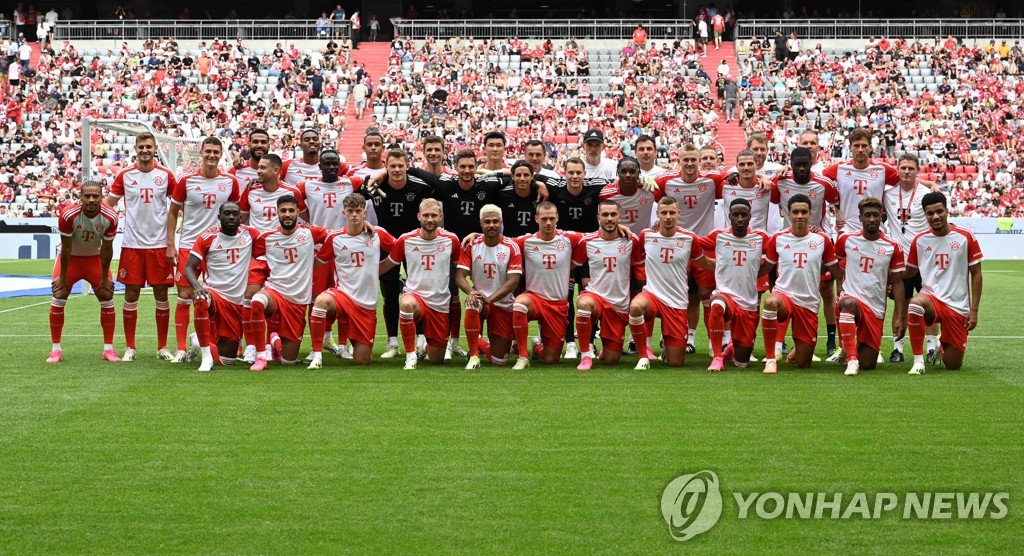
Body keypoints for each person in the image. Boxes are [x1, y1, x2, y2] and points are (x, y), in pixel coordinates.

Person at [355, 149, 438, 359]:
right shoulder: (375, 185)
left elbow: (440, 189)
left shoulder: (419, 187)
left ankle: (421, 341)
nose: (397, 170)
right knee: (389, 293)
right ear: (386, 166)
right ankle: (392, 343)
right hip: (386, 245)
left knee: (419, 294)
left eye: (401, 165)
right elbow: (355, 198)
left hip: (415, 247)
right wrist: (363, 220)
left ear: (407, 166)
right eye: (392, 166)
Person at [104, 133, 179, 362]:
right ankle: (130, 346)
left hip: (159, 245)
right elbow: (109, 204)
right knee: (131, 293)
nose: (145, 150)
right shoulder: (125, 175)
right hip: (132, 244)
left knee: (161, 294)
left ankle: (163, 347)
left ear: (155, 148)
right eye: (141, 147)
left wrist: (170, 242)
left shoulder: (165, 175)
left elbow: (177, 207)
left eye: (149, 146)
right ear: (135, 148)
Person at [166, 137, 241, 363]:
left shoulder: (230, 181)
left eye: (215, 152)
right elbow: (173, 212)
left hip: (218, 248)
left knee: (221, 296)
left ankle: (214, 340)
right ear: (201, 152)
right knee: (185, 295)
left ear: (220, 154)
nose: (211, 155)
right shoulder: (186, 180)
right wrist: (171, 243)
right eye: (208, 151)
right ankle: (181, 348)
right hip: (190, 244)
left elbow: (236, 213)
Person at [308, 193, 396, 369]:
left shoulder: (377, 234)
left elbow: (401, 249)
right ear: (344, 213)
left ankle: (351, 342)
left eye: (358, 211)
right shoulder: (335, 238)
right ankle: (316, 354)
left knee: (362, 360)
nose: (354, 215)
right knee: (321, 301)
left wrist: (383, 267)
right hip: (343, 295)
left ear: (365, 212)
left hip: (366, 305)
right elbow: (318, 262)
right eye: (350, 211)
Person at [758, 194, 843, 373]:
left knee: (803, 364)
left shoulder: (822, 240)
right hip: (784, 296)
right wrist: (740, 275)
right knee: (771, 302)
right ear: (788, 214)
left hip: (809, 303)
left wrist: (844, 294)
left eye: (804, 212)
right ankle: (771, 359)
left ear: (810, 213)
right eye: (795, 212)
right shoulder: (778, 238)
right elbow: (766, 268)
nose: (799, 216)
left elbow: (836, 272)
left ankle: (798, 349)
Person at [771, 147, 840, 359]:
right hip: (791, 243)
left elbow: (837, 202)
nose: (801, 169)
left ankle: (830, 340)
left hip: (817, 243)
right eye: (797, 165)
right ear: (790, 164)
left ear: (812, 163)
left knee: (827, 291)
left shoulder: (823, 183)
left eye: (805, 165)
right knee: (787, 290)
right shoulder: (780, 181)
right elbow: (771, 199)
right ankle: (783, 343)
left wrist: (835, 224)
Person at [903, 192, 984, 374]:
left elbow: (976, 274)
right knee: (915, 305)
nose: (935, 217)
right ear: (925, 215)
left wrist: (974, 310)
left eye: (939, 211)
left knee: (953, 366)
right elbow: (909, 272)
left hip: (957, 305)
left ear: (947, 211)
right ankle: (918, 362)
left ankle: (942, 343)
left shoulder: (965, 236)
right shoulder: (920, 240)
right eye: (930, 213)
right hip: (931, 299)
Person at [378, 198, 461, 370]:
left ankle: (424, 347)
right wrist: (360, 275)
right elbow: (388, 264)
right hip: (416, 297)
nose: (429, 219)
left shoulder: (451, 240)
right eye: (426, 215)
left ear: (440, 217)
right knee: (407, 304)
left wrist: (475, 287)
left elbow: (460, 267)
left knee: (436, 359)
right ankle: (410, 356)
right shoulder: (406, 240)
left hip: (439, 303)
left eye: (433, 215)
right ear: (418, 216)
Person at [297, 148, 365, 359]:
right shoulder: (306, 185)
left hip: (344, 249)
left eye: (335, 163)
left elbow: (377, 174)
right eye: (327, 163)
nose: (332, 167)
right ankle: (319, 342)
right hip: (319, 250)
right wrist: (311, 222)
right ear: (320, 166)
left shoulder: (350, 183)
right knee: (316, 298)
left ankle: (343, 345)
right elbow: (294, 201)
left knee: (346, 297)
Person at [248, 195, 329, 371]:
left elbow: (336, 237)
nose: (287, 214)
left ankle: (275, 341)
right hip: (275, 292)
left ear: (298, 212)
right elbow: (249, 251)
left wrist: (367, 226)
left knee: (288, 361)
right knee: (257, 301)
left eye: (291, 210)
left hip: (298, 301)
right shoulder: (266, 238)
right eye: (283, 210)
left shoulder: (310, 233)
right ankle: (261, 356)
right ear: (277, 212)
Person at [238, 153, 305, 362]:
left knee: (279, 298)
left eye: (263, 168)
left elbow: (304, 218)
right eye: (258, 168)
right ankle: (253, 345)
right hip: (259, 253)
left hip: (284, 255)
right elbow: (240, 218)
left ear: (276, 170)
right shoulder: (250, 190)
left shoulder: (291, 192)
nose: (258, 171)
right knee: (251, 295)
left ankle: (272, 341)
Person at [630, 196, 709, 369]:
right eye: (664, 213)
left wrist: (728, 266)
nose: (668, 217)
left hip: (677, 302)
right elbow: (636, 258)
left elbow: (704, 262)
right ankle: (643, 356)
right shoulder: (646, 235)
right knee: (636, 306)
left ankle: (668, 347)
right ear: (657, 214)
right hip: (652, 295)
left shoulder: (689, 238)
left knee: (676, 362)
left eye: (672, 213)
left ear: (679, 214)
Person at [48, 181, 120, 363]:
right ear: (80, 197)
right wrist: (63, 276)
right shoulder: (68, 214)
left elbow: (107, 249)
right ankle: (56, 350)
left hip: (94, 259)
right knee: (59, 293)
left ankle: (108, 349)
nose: (91, 199)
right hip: (70, 258)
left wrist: (104, 277)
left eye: (95, 196)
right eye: (87, 195)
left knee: (106, 295)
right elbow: (66, 247)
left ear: (102, 197)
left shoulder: (110, 216)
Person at [834, 197, 906, 376]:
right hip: (851, 299)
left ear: (882, 216)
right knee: (848, 304)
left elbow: (897, 282)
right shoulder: (846, 240)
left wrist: (900, 316)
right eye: (867, 215)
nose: (872, 219)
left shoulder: (892, 246)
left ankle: (850, 348)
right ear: (860, 218)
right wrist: (840, 294)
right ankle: (851, 359)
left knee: (868, 363)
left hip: (875, 308)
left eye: (876, 215)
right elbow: (835, 267)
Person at [185, 202, 260, 372]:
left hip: (235, 303)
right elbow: (189, 268)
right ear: (219, 217)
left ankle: (197, 340)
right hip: (214, 294)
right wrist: (197, 287)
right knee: (202, 299)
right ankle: (206, 358)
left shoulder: (250, 235)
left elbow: (276, 234)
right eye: (227, 213)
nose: (231, 217)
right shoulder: (207, 238)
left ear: (241, 218)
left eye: (235, 214)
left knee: (227, 361)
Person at [509, 202, 584, 370]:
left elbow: (594, 237)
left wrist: (623, 228)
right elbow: (502, 242)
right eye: (544, 219)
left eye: (551, 218)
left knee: (551, 359)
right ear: (536, 219)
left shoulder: (569, 239)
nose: (548, 222)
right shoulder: (526, 241)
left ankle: (537, 346)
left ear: (557, 218)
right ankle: (522, 356)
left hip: (558, 305)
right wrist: (477, 234)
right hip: (534, 298)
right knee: (520, 304)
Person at [572, 200, 643, 370]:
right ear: (598, 218)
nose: (609, 218)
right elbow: (570, 265)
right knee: (583, 304)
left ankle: (608, 347)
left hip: (618, 305)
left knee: (612, 360)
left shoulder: (631, 240)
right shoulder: (586, 242)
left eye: (612, 215)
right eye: (605, 215)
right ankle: (586, 355)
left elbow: (640, 269)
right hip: (595, 297)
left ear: (619, 217)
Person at [703, 199, 771, 371]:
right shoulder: (718, 235)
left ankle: (733, 347)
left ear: (750, 217)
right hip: (725, 296)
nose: (740, 218)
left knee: (742, 363)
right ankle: (717, 357)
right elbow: (692, 242)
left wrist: (756, 271)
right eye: (736, 215)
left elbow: (778, 251)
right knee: (717, 304)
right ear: (729, 217)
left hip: (747, 303)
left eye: (744, 215)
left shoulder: (760, 237)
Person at [883, 154, 937, 362]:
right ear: (897, 169)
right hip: (899, 262)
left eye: (911, 168)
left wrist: (931, 184)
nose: (906, 172)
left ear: (917, 170)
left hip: (925, 261)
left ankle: (931, 349)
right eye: (903, 168)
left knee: (930, 306)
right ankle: (898, 349)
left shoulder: (926, 194)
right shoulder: (887, 195)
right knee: (900, 306)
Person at [456, 204, 523, 370]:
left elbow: (513, 281)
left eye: (495, 221)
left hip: (503, 304)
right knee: (472, 302)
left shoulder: (511, 247)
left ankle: (479, 342)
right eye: (487, 222)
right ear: (481, 224)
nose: (491, 225)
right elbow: (459, 276)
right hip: (480, 301)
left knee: (500, 361)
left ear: (501, 223)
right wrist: (472, 292)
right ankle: (473, 356)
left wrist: (491, 299)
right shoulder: (471, 245)